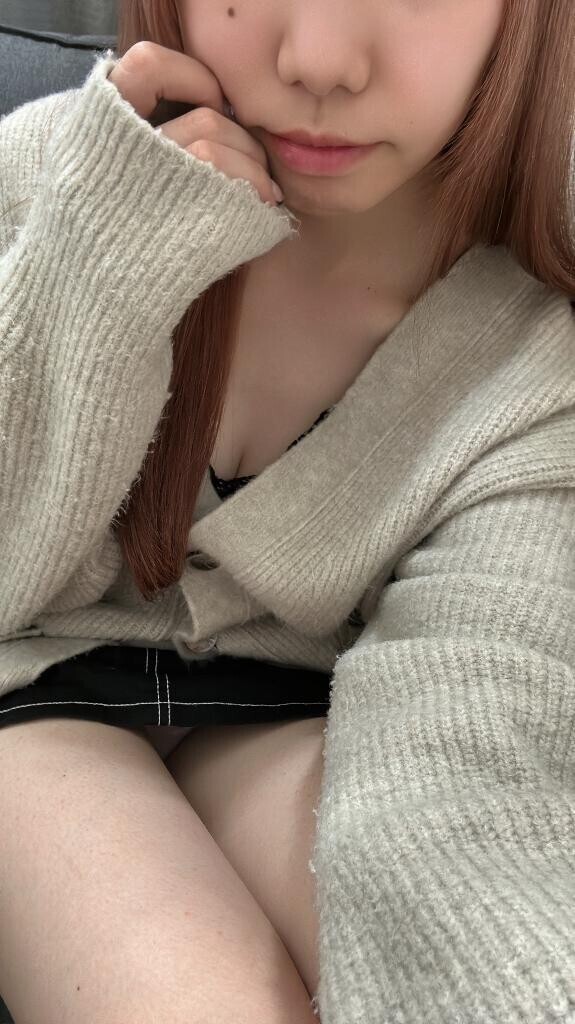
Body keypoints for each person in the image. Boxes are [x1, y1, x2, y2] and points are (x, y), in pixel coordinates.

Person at [0, 0, 573, 1021]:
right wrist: (105, 244)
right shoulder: (47, 171)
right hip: (30, 684)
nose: (317, 60)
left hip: (306, 707)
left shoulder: (533, 349)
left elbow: (466, 765)